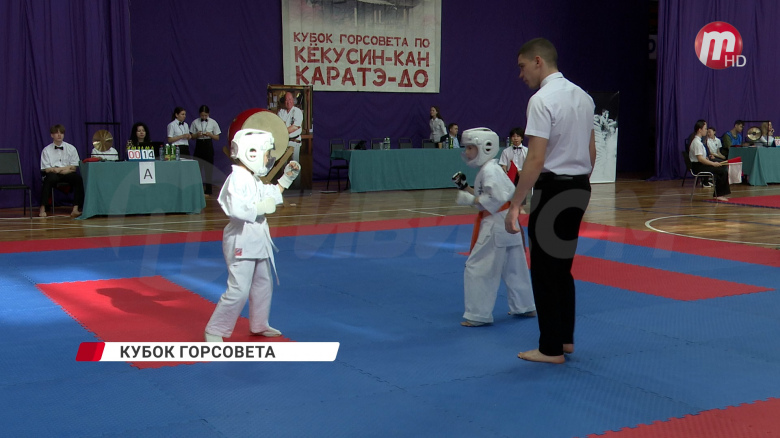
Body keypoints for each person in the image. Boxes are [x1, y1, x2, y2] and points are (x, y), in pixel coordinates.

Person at [504, 38, 595, 364]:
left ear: (538, 61)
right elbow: (591, 152)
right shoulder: (584, 97)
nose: (521, 74)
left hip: (553, 188)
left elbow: (535, 159)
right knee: (562, 268)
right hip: (579, 187)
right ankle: (565, 339)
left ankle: (550, 348)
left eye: (522, 66)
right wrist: (578, 181)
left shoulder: (541, 99)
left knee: (544, 270)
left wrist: (515, 204)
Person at [204, 129, 301, 342]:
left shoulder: (252, 178)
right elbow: (236, 210)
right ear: (251, 153)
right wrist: (260, 207)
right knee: (239, 289)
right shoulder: (236, 179)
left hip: (258, 237)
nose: (267, 159)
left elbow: (269, 194)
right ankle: (215, 330)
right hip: (242, 238)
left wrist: (286, 179)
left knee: (263, 283)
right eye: (266, 154)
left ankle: (259, 323)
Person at [452, 128, 536, 328]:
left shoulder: (490, 170)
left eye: (471, 148)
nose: (467, 152)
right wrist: (466, 188)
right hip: (507, 222)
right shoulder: (491, 168)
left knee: (478, 267)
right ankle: (525, 306)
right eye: (467, 148)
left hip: (496, 224)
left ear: (485, 148)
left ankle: (477, 314)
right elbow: (493, 196)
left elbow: (495, 198)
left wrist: (471, 199)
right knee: (514, 267)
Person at [39, 124, 84, 218]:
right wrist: (59, 170)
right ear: (52, 135)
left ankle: (75, 209)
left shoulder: (71, 148)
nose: (59, 135)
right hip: (53, 173)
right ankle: (42, 208)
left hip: (66, 173)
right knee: (48, 179)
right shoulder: (46, 150)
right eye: (56, 133)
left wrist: (61, 169)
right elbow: (46, 169)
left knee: (78, 179)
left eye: (61, 133)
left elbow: (74, 167)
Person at [689, 120, 730, 201]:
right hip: (698, 166)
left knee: (723, 167)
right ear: (699, 130)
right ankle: (719, 194)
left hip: (700, 164)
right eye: (705, 128)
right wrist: (713, 163)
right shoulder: (697, 142)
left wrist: (707, 159)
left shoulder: (698, 141)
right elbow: (700, 159)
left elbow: (701, 157)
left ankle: (720, 193)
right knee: (722, 170)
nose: (706, 130)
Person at [190, 105, 221, 196]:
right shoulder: (195, 122)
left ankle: (208, 190)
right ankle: (197, 189)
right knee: (197, 168)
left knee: (208, 168)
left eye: (205, 115)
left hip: (208, 145)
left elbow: (217, 137)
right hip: (199, 145)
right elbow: (192, 137)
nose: (204, 117)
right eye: (202, 115)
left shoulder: (213, 122)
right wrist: (197, 135)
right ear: (199, 114)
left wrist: (210, 135)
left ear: (208, 114)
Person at [277, 91, 304, 162]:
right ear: (284, 101)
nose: (288, 101)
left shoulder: (297, 111)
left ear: (293, 100)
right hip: (283, 142)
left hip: (294, 142)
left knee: (294, 164)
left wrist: (283, 131)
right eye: (286, 100)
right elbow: (279, 125)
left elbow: (295, 127)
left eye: (290, 99)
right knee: (283, 163)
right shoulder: (281, 112)